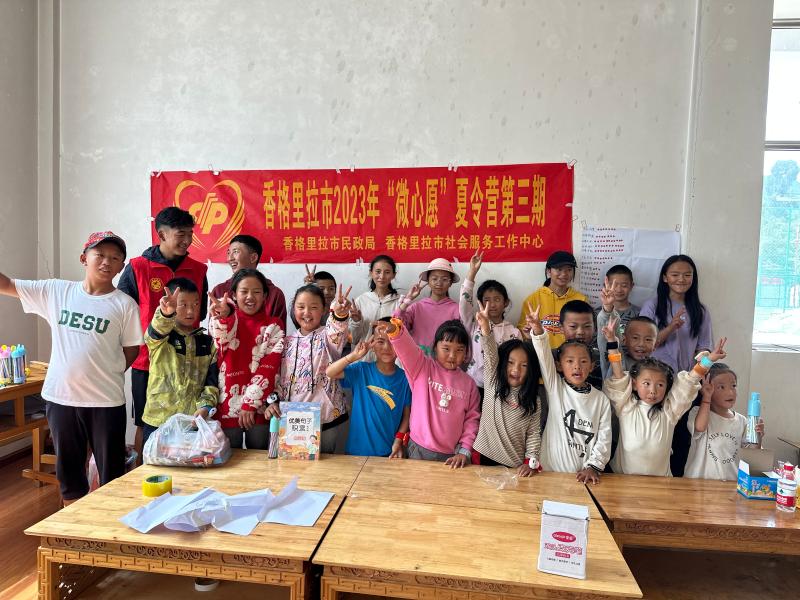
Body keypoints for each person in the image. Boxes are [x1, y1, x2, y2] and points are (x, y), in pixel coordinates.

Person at [0, 232, 142, 504]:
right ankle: (72, 521)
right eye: (100, 255)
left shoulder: (125, 305)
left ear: (121, 267)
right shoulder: (57, 291)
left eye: (115, 258)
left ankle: (108, 524)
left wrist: (106, 371)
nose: (106, 262)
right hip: (62, 399)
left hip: (106, 401)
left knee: (112, 474)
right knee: (69, 475)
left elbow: (131, 349)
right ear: (84, 258)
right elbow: (7, 285)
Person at [118, 207, 208, 462]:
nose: (187, 240)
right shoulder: (138, 267)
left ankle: (183, 471)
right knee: (145, 422)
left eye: (190, 234)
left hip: (189, 361)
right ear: (162, 234)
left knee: (189, 421)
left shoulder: (198, 270)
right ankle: (141, 472)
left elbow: (201, 312)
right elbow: (121, 311)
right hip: (147, 361)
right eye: (181, 234)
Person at [602, 316, 727, 476]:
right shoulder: (626, 406)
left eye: (660, 385)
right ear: (634, 384)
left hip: (660, 482)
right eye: (646, 383)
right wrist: (612, 342)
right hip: (624, 479)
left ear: (667, 388)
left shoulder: (670, 412)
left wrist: (709, 360)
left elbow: (689, 381)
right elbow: (618, 374)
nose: (653, 391)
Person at [525, 303, 612, 483]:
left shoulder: (601, 399)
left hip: (583, 477)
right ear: (559, 365)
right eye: (570, 361)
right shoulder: (556, 388)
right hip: (549, 473)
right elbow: (544, 356)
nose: (577, 367)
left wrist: (593, 466)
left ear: (592, 366)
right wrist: (538, 329)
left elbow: (604, 437)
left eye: (583, 362)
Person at [376, 318, 479, 468]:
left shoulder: (470, 384)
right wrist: (396, 332)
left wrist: (465, 451)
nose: (452, 355)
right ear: (435, 348)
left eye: (459, 350)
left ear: (466, 353)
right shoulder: (421, 367)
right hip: (418, 451)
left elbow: (472, 420)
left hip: (452, 456)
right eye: (446, 349)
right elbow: (408, 349)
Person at [208, 268, 284, 450]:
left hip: (260, 407)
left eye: (256, 292)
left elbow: (269, 367)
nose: (250, 297)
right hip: (227, 405)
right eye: (244, 291)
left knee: (260, 460)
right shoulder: (224, 321)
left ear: (265, 296)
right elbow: (221, 338)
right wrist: (224, 316)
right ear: (234, 295)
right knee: (229, 460)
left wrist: (250, 403)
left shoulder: (274, 325)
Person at [273, 283, 352, 453]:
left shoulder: (327, 336)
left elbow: (337, 330)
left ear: (324, 310)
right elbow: (278, 378)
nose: (307, 313)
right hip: (292, 418)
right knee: (296, 464)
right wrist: (274, 401)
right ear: (293, 309)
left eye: (314, 307)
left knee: (325, 463)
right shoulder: (285, 342)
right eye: (301, 307)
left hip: (326, 415)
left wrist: (340, 314)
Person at [141, 278, 218, 447]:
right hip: (158, 419)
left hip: (191, 422)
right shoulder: (162, 337)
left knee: (188, 463)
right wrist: (165, 314)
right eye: (183, 305)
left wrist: (205, 407)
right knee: (154, 462)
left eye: (195, 304)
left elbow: (211, 383)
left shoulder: (208, 343)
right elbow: (156, 330)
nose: (190, 311)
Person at [472, 301, 542, 475]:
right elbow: (490, 351)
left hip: (514, 465)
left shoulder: (534, 399)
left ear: (531, 370)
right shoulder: (493, 381)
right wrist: (486, 327)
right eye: (510, 363)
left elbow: (533, 433)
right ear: (502, 364)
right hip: (481, 455)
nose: (516, 370)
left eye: (524, 366)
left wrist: (530, 461)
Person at [326, 317, 411, 458]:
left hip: (388, 454)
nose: (386, 347)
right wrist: (354, 356)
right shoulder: (361, 370)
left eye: (392, 341)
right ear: (372, 344)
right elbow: (330, 372)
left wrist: (398, 440)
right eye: (380, 341)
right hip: (355, 453)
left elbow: (407, 416)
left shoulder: (405, 379)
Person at [684, 362, 765, 481]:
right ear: (707, 388)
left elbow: (751, 454)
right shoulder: (698, 413)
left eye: (733, 386)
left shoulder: (742, 421)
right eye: (721, 387)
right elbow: (700, 427)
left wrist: (758, 437)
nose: (730, 392)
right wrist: (706, 397)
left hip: (730, 483)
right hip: (699, 483)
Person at [459, 250, 521, 395]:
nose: (492, 305)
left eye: (497, 299)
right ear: (480, 303)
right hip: (474, 385)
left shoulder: (514, 332)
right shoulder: (474, 325)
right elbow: (464, 304)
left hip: (502, 388)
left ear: (505, 303)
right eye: (487, 300)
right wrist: (472, 273)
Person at [639, 255, 712, 373]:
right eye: (675, 275)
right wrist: (671, 328)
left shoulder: (700, 310)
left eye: (687, 275)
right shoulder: (651, 306)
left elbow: (704, 348)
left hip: (687, 377)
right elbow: (643, 344)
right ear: (665, 278)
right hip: (655, 376)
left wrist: (701, 371)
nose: (681, 279)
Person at [209, 234, 287, 326]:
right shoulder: (220, 290)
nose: (230, 258)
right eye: (229, 253)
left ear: (253, 258)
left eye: (236, 252)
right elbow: (213, 329)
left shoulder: (274, 294)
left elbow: (279, 331)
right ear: (234, 295)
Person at [518, 250, 587, 348]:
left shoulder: (581, 299)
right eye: (559, 269)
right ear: (548, 271)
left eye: (569, 269)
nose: (564, 274)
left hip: (571, 353)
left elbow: (586, 331)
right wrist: (528, 333)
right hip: (541, 353)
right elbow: (522, 330)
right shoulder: (533, 299)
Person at [392, 258, 461, 355]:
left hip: (446, 361)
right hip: (418, 360)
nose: (439, 283)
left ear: (450, 283)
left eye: (445, 279)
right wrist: (408, 299)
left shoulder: (457, 309)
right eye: (434, 279)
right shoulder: (416, 307)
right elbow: (397, 325)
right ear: (428, 281)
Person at [349, 255, 401, 351]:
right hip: (364, 356)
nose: (382, 276)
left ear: (394, 275)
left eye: (387, 272)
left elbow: (403, 336)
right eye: (378, 271)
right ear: (371, 273)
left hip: (390, 356)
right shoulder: (361, 301)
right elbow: (353, 339)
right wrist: (356, 322)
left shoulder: (400, 302)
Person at [595, 266, 640, 378]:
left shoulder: (639, 313)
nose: (619, 290)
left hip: (631, 369)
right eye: (613, 285)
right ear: (605, 285)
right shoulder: (597, 313)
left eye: (624, 285)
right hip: (604, 368)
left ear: (632, 286)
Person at [559, 299, 602, 390]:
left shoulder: (602, 358)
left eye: (587, 326)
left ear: (595, 328)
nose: (580, 332)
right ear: (561, 328)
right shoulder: (554, 356)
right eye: (573, 326)